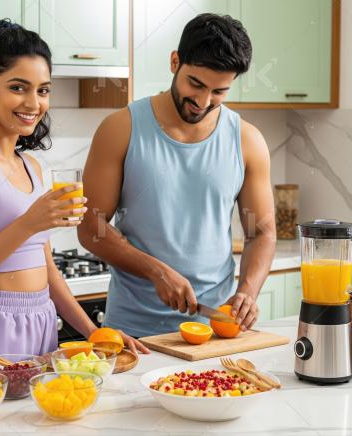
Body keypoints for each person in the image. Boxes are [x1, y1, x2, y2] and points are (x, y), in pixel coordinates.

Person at [0, 20, 146, 376]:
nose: (34, 103)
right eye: (18, 88)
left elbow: (47, 270)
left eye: (43, 90)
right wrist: (29, 222)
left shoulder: (34, 167)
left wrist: (94, 333)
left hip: (41, 323)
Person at [78, 13, 277, 338]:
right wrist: (156, 271)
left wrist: (248, 291)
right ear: (175, 62)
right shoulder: (121, 129)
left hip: (213, 332)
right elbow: (91, 227)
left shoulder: (247, 140)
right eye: (195, 84)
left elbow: (263, 231)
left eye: (219, 92)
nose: (203, 101)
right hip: (134, 335)